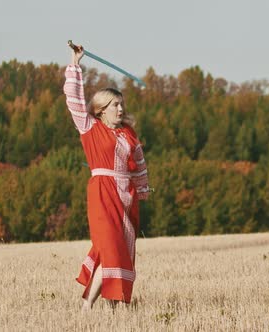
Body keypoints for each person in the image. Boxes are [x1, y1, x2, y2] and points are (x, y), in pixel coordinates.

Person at [64, 44, 150, 310]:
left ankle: (113, 307)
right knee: (110, 246)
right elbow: (74, 99)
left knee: (120, 251)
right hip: (102, 193)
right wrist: (75, 64)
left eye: (122, 104)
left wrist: (144, 190)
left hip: (126, 198)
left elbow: (139, 166)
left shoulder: (129, 134)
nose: (120, 109)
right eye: (115, 105)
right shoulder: (90, 127)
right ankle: (88, 306)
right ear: (101, 109)